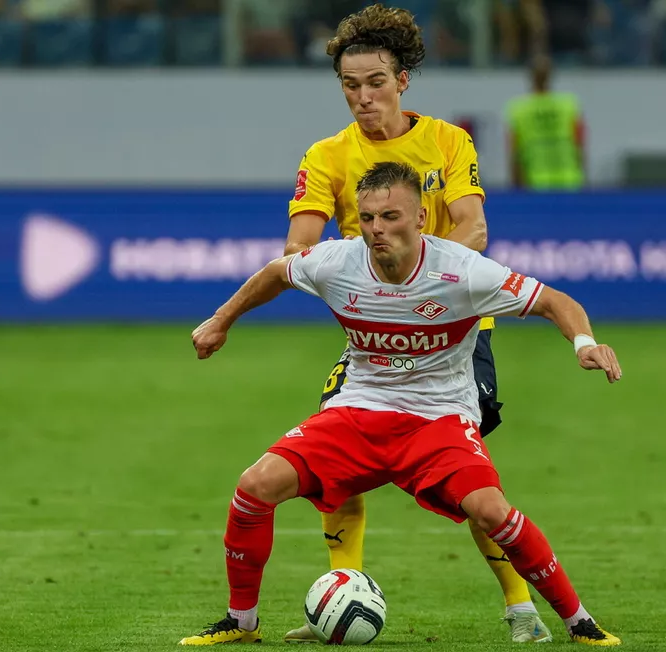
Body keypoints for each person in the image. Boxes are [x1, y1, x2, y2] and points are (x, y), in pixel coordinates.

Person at [180, 161, 623, 647]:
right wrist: (221, 320)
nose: (377, 229)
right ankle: (241, 622)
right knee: (254, 486)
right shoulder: (337, 261)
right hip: (358, 412)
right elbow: (275, 273)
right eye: (368, 217)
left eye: (390, 216)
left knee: (491, 511)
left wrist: (584, 344)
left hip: (439, 419)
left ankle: (579, 622)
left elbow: (555, 301)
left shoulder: (463, 271)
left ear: (420, 218)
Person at [281, 3, 554, 643]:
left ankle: (521, 608)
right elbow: (298, 247)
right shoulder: (327, 156)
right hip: (377, 342)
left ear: (402, 80)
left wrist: (421, 288)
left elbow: (474, 229)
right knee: (334, 462)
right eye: (350, 85)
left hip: (454, 336)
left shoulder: (448, 142)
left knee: (472, 484)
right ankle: (343, 591)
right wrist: (348, 278)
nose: (363, 97)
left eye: (376, 82)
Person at [505, 54, 586, 191]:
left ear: (531, 77)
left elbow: (514, 153)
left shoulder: (519, 109)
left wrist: (515, 186)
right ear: (550, 75)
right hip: (569, 179)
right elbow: (579, 146)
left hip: (536, 181)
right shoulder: (569, 106)